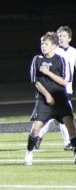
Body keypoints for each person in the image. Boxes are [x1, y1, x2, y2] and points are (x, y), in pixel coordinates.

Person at [23, 32, 76, 166]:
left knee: (71, 127)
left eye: (46, 44)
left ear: (54, 46)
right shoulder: (37, 59)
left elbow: (65, 82)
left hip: (60, 99)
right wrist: (47, 95)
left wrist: (48, 73)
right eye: (42, 44)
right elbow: (35, 81)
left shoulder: (61, 60)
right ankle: (29, 152)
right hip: (43, 100)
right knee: (36, 128)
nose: (43, 46)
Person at [35, 26, 76, 150]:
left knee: (59, 119)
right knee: (66, 116)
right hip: (55, 89)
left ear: (69, 38)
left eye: (63, 36)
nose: (61, 38)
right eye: (59, 36)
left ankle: (40, 134)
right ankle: (68, 142)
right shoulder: (54, 51)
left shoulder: (74, 52)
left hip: (67, 87)